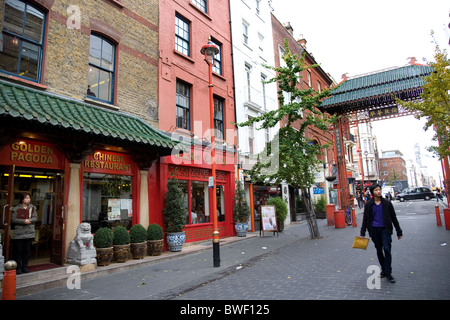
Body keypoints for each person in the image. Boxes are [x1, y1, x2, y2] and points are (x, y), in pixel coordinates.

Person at [360, 184, 403, 283]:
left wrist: (398, 231)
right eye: (376, 190)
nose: (378, 191)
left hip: (385, 230)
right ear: (372, 192)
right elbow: (365, 219)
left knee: (387, 249)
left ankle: (388, 272)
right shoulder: (369, 205)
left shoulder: (387, 203)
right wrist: (363, 232)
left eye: (379, 190)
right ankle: (384, 269)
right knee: (379, 250)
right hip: (374, 230)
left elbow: (393, 217)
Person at [11, 192, 38, 274]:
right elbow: (13, 219)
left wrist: (29, 220)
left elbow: (35, 218)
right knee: (18, 250)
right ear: (22, 199)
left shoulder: (32, 208)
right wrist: (23, 221)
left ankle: (25, 266)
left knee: (26, 250)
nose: (28, 199)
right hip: (19, 233)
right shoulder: (16, 208)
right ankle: (18, 267)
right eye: (26, 198)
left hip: (29, 232)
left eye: (29, 198)